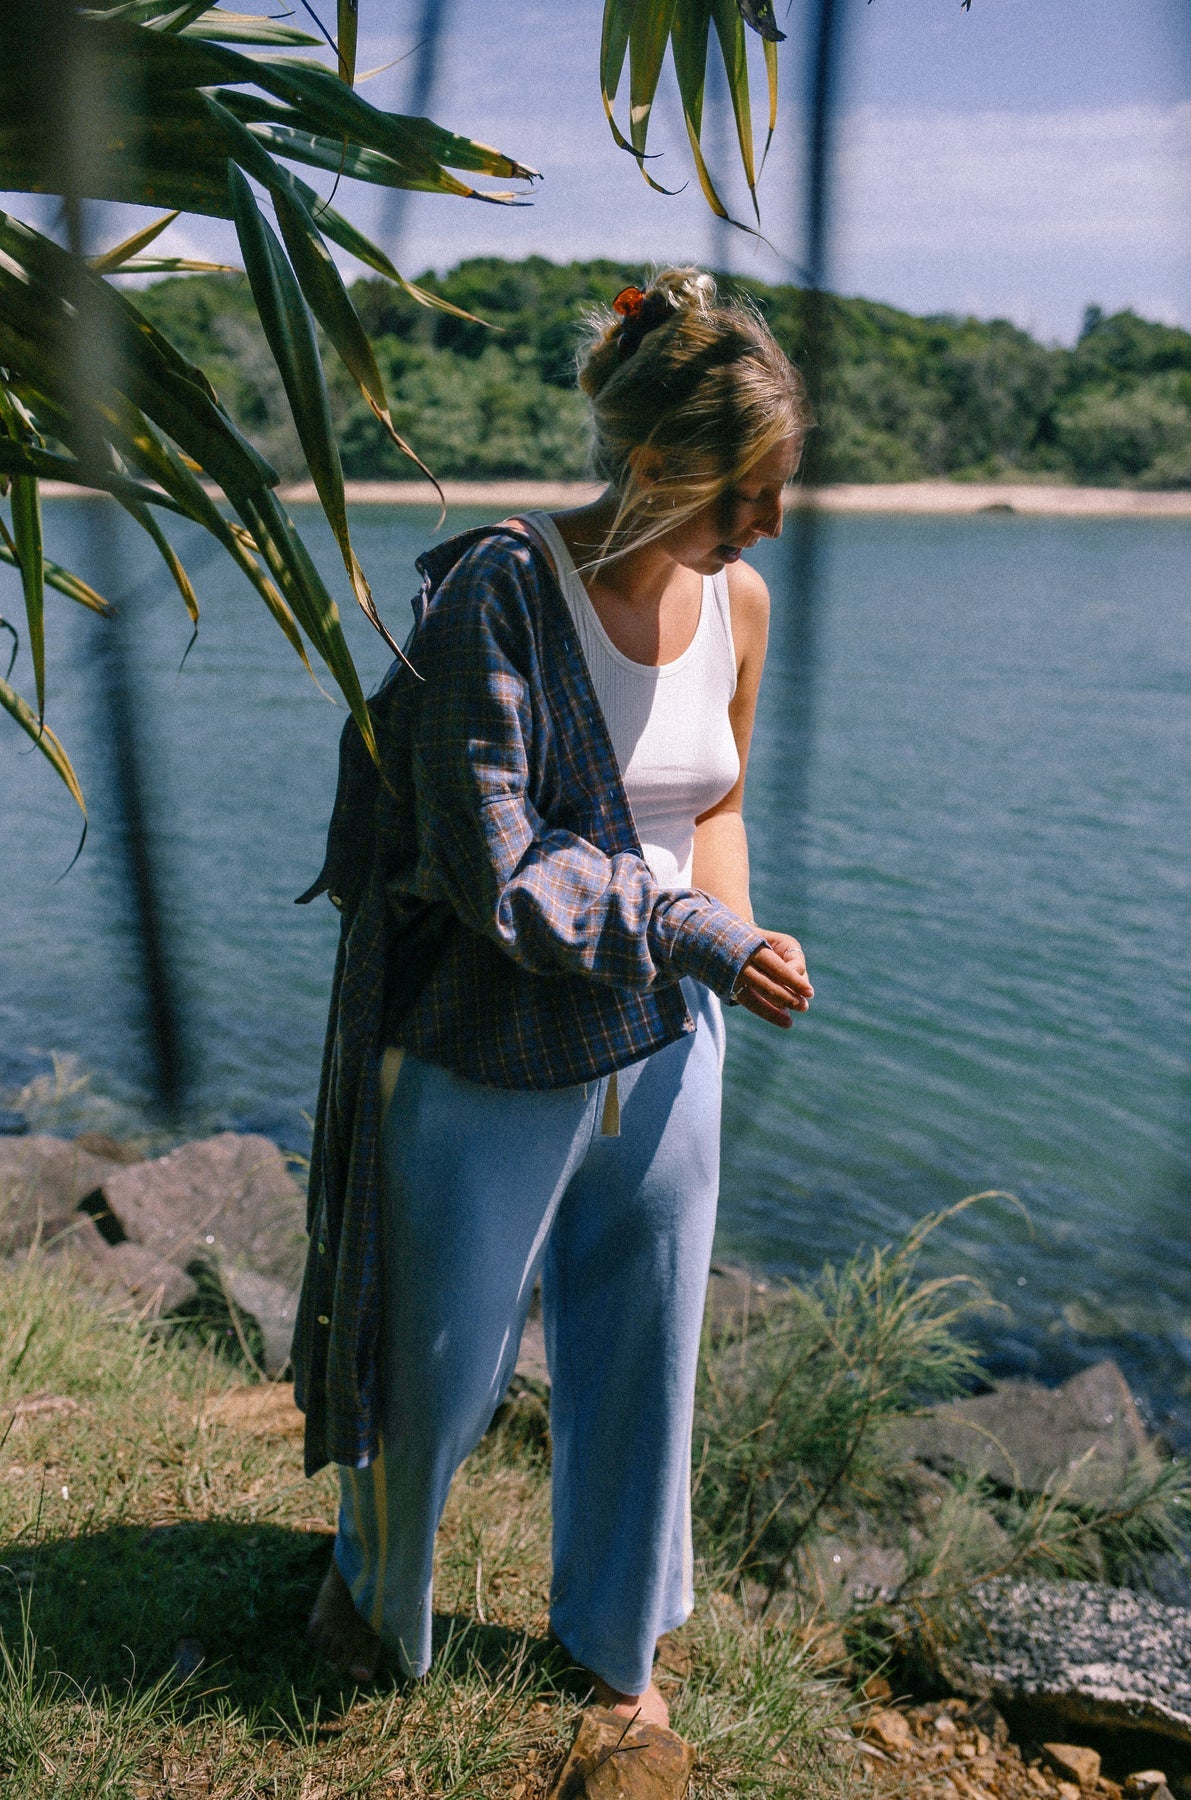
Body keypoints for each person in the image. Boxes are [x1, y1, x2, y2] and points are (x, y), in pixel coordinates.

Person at [294, 267, 814, 1728]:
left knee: (645, 1352)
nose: (770, 524)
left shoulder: (739, 603)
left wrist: (743, 936)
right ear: (659, 467)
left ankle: (614, 1652)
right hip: (484, 1041)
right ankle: (372, 1593)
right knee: (441, 1369)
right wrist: (702, 935)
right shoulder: (499, 599)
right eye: (748, 493)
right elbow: (500, 873)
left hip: (669, 1032)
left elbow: (716, 804)